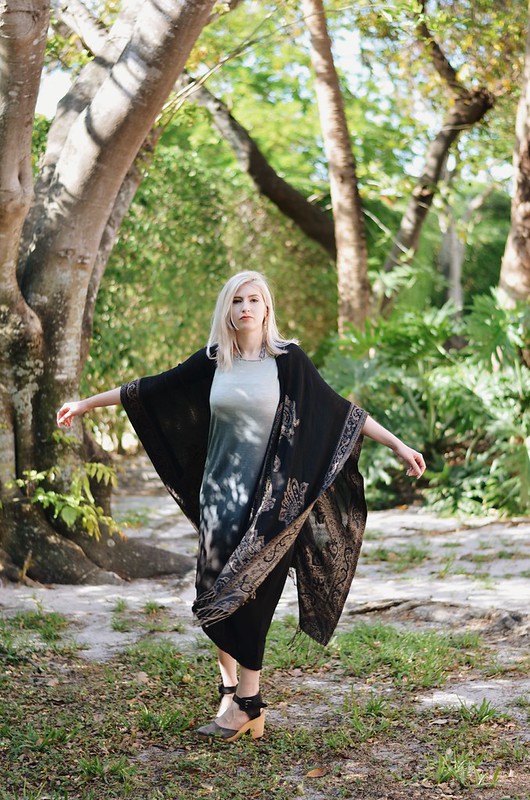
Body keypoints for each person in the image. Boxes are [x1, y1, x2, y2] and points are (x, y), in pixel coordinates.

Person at [57, 270, 425, 743]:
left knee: (253, 595)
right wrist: (86, 404)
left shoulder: (288, 362)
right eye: (237, 301)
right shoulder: (215, 360)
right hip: (219, 498)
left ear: (267, 308)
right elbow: (150, 389)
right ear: (227, 310)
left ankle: (248, 704)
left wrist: (398, 445)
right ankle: (230, 690)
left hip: (272, 504)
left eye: (253, 299)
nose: (245, 308)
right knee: (215, 595)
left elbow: (342, 414)